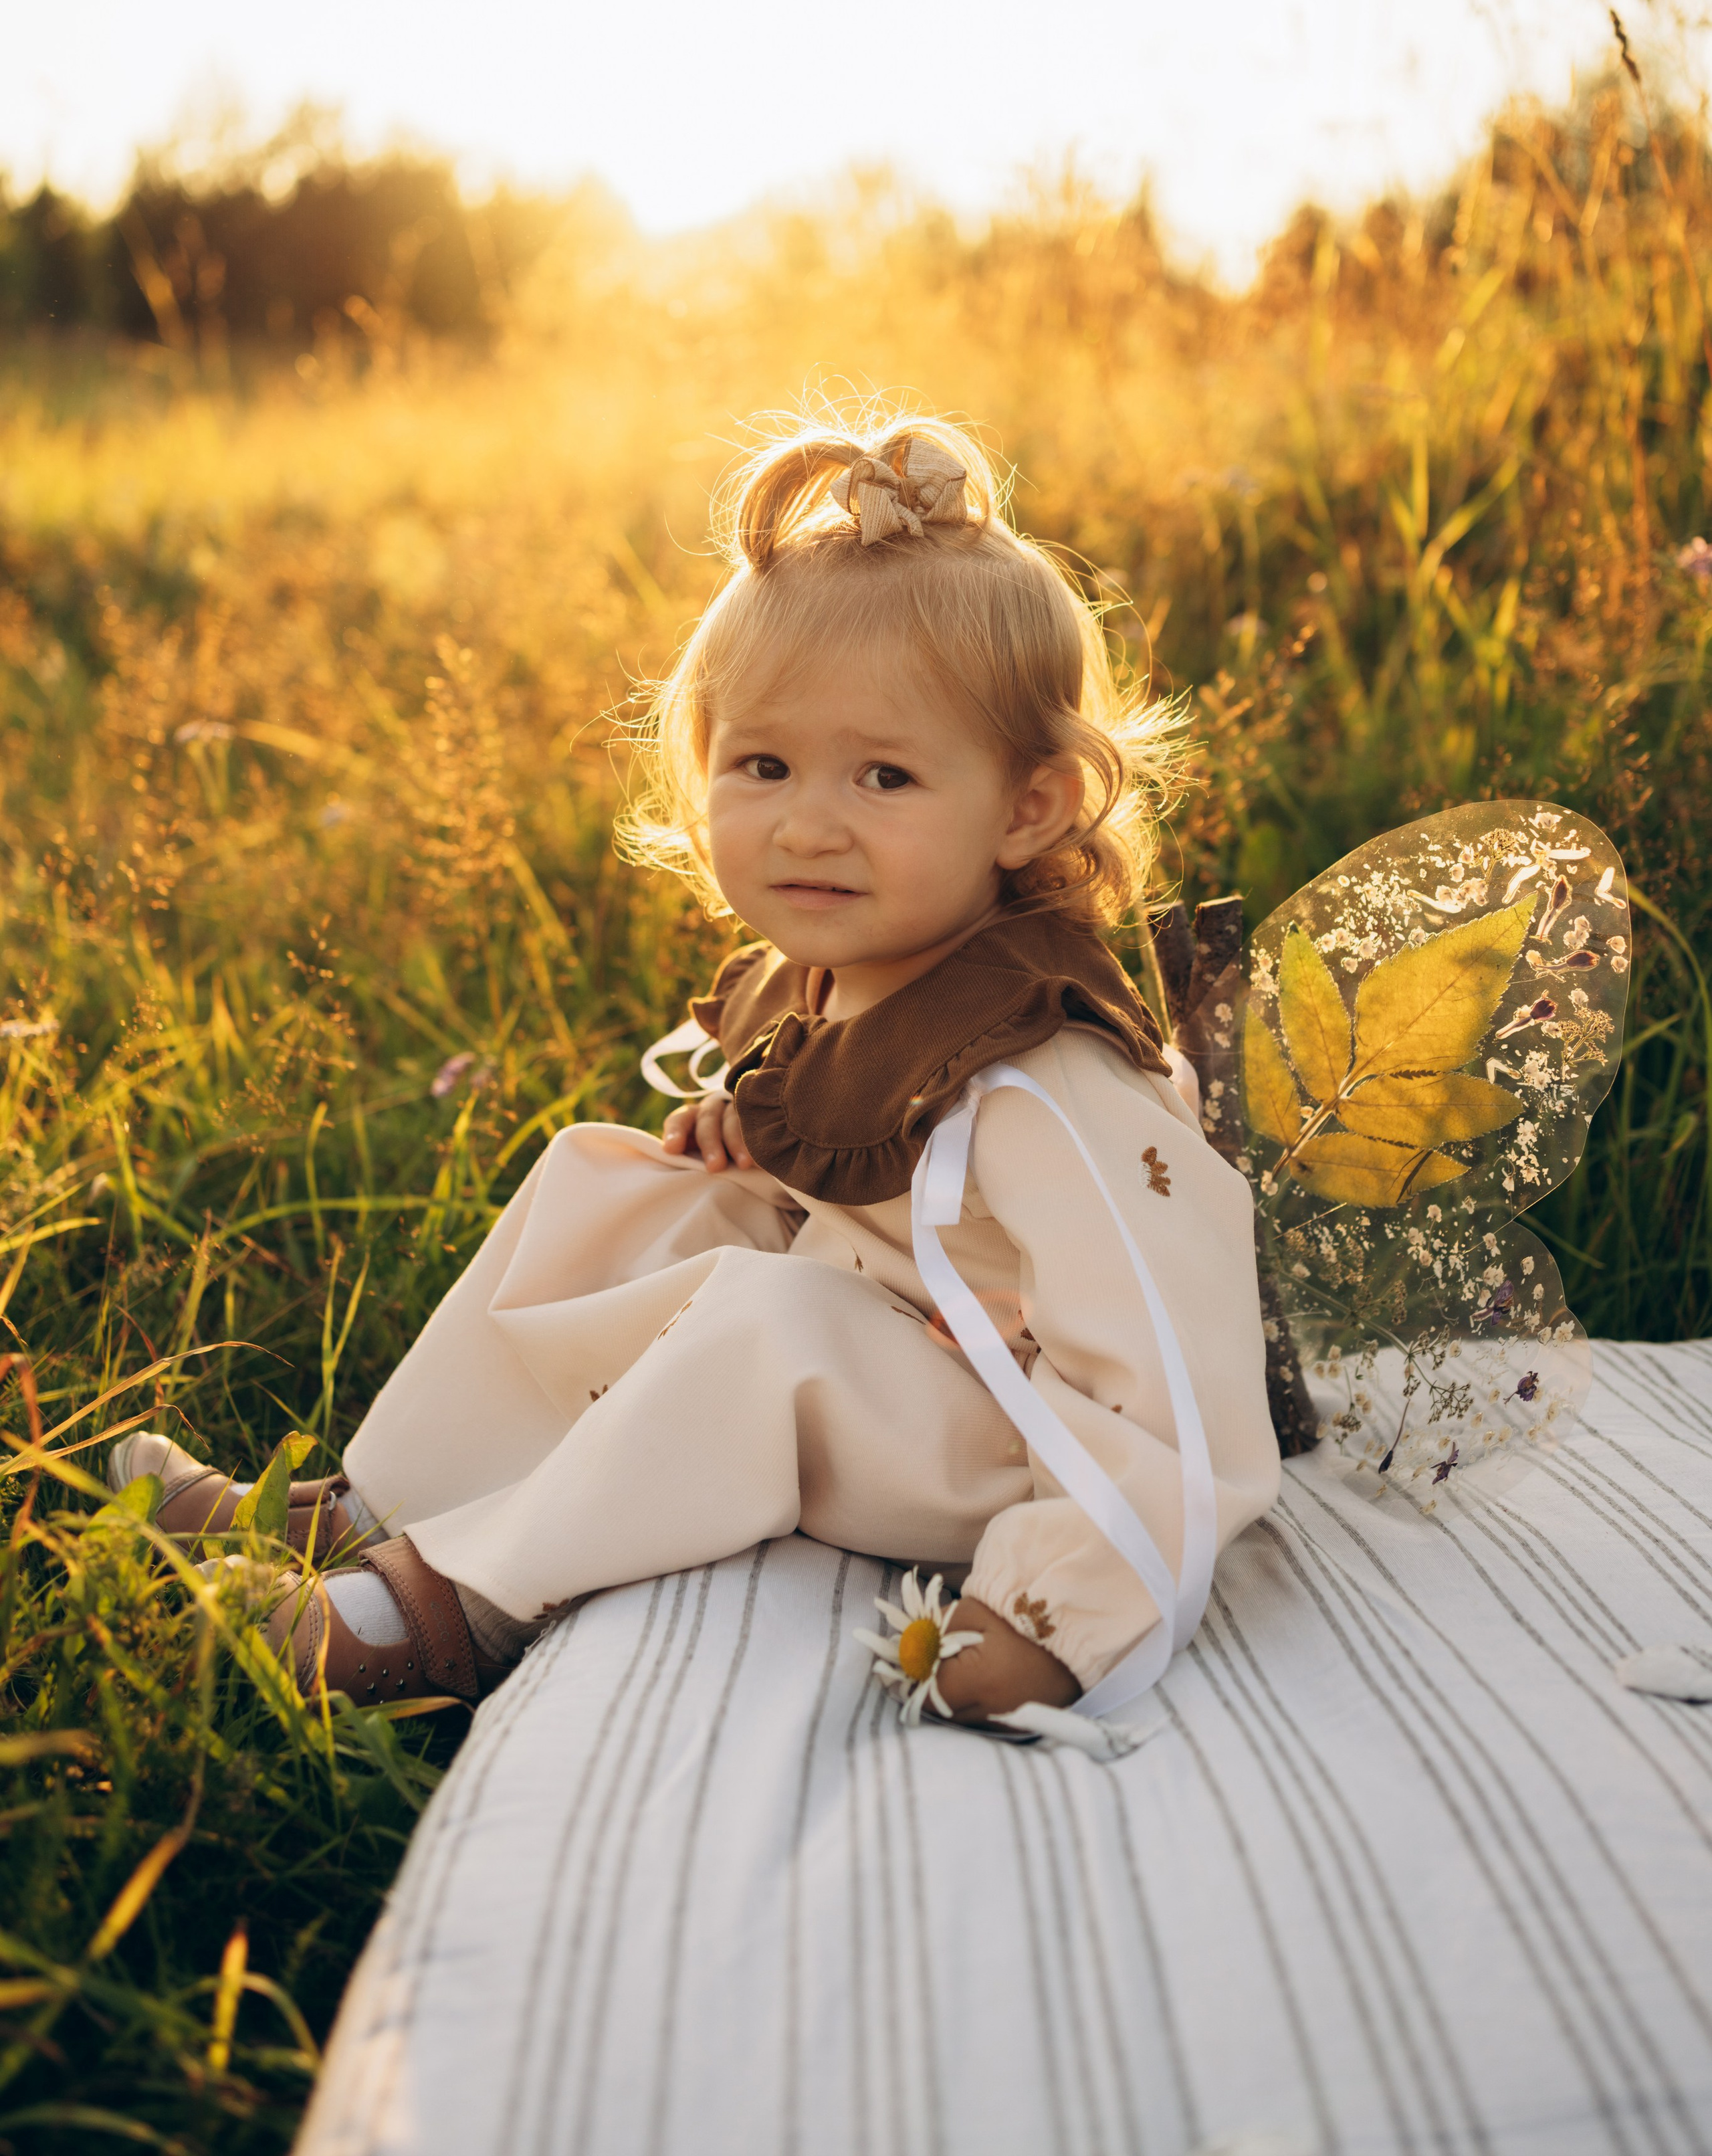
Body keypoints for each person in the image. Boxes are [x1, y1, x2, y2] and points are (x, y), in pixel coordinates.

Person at [112, 412, 1280, 1732]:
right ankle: (373, 1507)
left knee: (759, 1326)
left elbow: (1173, 1374)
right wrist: (758, 1154)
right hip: (890, 1348)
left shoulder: (1039, 1068)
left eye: (883, 774)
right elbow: (859, 1157)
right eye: (762, 764)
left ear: (1024, 807)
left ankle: (439, 1612)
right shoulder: (864, 968)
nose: (804, 821)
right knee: (613, 1179)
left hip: (1011, 1448)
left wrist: (1051, 1616)